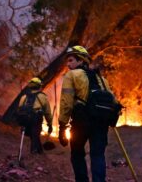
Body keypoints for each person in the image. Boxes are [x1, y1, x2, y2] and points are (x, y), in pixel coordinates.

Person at [58, 45, 112, 182]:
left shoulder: (71, 75)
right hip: (101, 123)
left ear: (81, 60)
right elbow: (113, 101)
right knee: (98, 155)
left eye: (71, 60)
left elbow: (66, 103)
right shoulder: (102, 79)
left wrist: (62, 125)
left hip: (80, 122)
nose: (68, 64)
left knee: (77, 154)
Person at [18, 77, 52, 154]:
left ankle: (40, 151)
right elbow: (47, 112)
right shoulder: (42, 97)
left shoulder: (24, 97)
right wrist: (49, 124)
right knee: (35, 134)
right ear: (39, 86)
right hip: (35, 119)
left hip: (25, 119)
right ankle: (34, 151)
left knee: (34, 135)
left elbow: (19, 109)